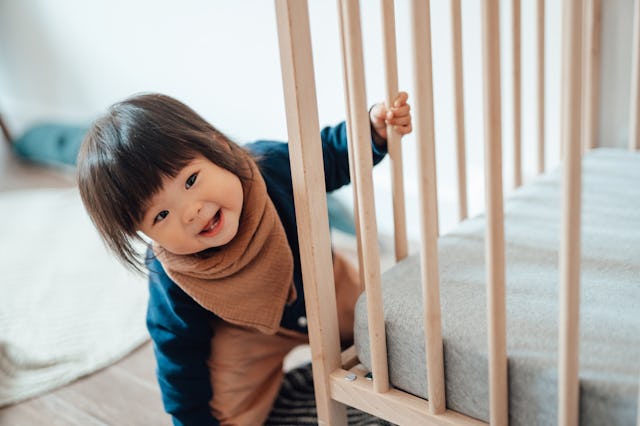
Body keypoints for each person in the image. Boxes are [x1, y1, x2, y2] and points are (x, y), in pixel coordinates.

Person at [77, 92, 412, 425]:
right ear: (145, 235)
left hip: (325, 285)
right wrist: (190, 418)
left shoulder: (269, 166)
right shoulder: (173, 275)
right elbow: (177, 355)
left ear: (218, 146)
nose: (190, 212)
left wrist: (372, 132)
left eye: (191, 180)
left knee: (401, 337)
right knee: (226, 417)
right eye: (161, 215)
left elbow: (326, 155)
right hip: (245, 332)